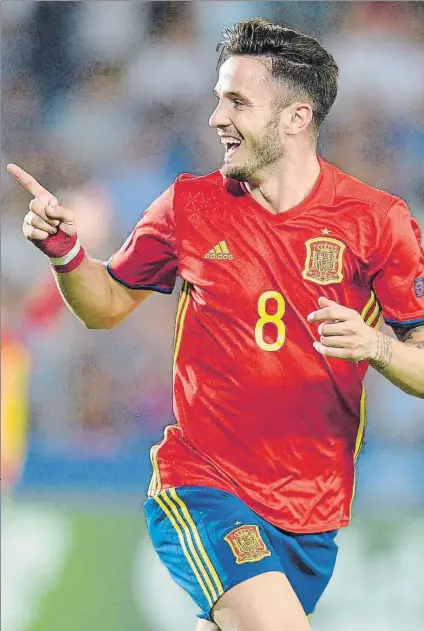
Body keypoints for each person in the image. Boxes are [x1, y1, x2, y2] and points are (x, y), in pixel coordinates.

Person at [7, 17, 424, 631]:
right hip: (204, 484)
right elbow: (106, 306)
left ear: (295, 117)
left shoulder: (377, 222)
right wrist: (68, 255)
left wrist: (378, 346)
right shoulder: (188, 206)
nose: (215, 118)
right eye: (216, 98)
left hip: (312, 510)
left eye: (236, 101)